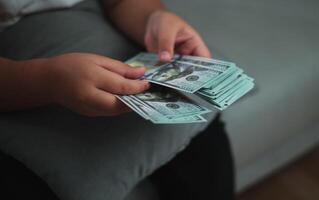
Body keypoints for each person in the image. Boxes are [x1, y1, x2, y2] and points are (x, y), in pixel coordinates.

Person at [0, 0, 234, 199]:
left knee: (206, 148)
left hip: (93, 27)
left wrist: (154, 17)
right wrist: (48, 81)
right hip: (20, 78)